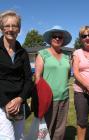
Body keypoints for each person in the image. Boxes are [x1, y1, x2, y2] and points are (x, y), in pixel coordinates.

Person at [35, 25, 72, 140]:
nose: (57, 39)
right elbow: (37, 77)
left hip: (64, 97)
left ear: (63, 40)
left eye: (60, 37)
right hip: (48, 98)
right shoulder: (42, 54)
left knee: (60, 130)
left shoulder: (67, 56)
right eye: (54, 36)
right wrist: (39, 97)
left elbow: (67, 75)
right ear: (50, 39)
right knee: (45, 129)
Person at [0, 10, 33, 140]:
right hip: (2, 104)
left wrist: (20, 99)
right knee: (7, 138)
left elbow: (28, 80)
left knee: (19, 137)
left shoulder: (23, 52)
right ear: (1, 28)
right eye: (7, 26)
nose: (11, 29)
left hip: (20, 104)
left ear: (19, 29)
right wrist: (6, 103)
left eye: (14, 26)